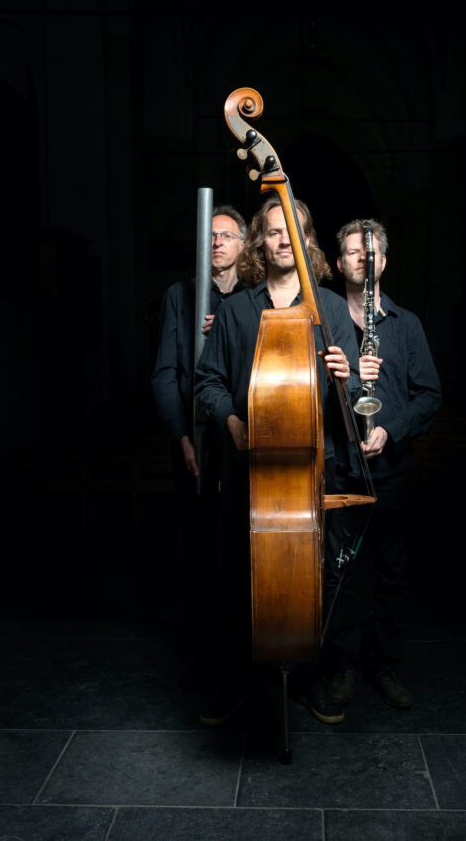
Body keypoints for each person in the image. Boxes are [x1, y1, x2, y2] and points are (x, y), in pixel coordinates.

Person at [194, 194, 362, 726]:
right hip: (249, 470)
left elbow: (356, 399)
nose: (282, 240)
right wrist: (232, 421)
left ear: (308, 239)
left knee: (317, 580)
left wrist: (346, 377)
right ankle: (240, 682)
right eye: (272, 231)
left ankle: (312, 680)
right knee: (237, 579)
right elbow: (208, 381)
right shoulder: (239, 309)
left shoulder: (330, 309)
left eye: (292, 230)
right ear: (260, 243)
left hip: (314, 467)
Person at [325, 217, 442, 710]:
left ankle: (384, 664)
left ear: (385, 262)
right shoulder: (325, 325)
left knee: (393, 572)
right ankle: (343, 666)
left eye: (371, 254)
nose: (363, 260)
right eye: (353, 252)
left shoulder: (407, 325)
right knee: (341, 573)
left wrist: (390, 429)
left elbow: (429, 395)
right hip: (341, 468)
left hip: (392, 469)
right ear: (338, 263)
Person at [150, 204, 246, 671]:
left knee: (240, 552)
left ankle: (243, 656)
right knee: (197, 549)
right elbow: (165, 375)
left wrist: (227, 330)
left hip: (241, 443)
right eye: (210, 236)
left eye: (227, 235)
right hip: (195, 445)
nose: (217, 243)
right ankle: (201, 659)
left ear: (244, 245)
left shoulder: (256, 299)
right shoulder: (179, 295)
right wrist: (181, 437)